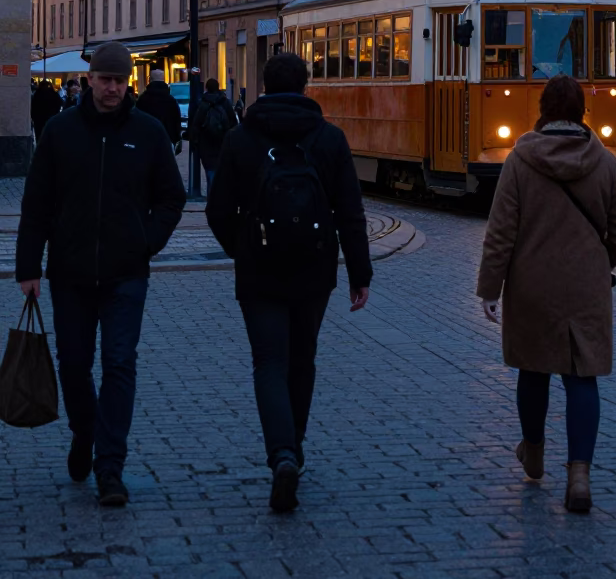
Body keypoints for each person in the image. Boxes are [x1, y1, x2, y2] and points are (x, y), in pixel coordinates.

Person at [16, 41, 186, 508]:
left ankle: (110, 466)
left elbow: (173, 198)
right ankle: (83, 429)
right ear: (89, 80)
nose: (112, 88)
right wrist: (28, 266)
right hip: (69, 273)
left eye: (119, 80)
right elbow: (36, 202)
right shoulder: (59, 131)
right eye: (105, 79)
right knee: (74, 364)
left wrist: (146, 240)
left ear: (129, 81)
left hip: (126, 272)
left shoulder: (148, 132)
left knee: (119, 363)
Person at [206, 52, 372, 514]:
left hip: (259, 272)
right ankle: (294, 447)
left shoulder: (241, 139)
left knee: (268, 362)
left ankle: (281, 453)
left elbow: (217, 211)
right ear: (306, 86)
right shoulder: (330, 139)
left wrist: (242, 251)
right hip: (315, 269)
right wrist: (360, 273)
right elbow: (350, 212)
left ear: (263, 84)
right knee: (303, 360)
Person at [476, 75, 616, 512]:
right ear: (582, 110)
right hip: (587, 287)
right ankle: (580, 477)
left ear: (543, 110)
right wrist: (601, 261)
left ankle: (534, 455)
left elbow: (501, 231)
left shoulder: (521, 158)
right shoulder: (602, 160)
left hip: (532, 285)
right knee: (582, 377)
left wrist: (490, 288)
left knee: (534, 371)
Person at [189, 77, 236, 192]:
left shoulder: (202, 103)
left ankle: (212, 195)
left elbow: (196, 124)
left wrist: (195, 141)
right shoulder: (225, 102)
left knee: (210, 170)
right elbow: (233, 122)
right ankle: (220, 195)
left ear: (206, 88)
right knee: (222, 170)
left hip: (206, 143)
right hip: (223, 142)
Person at [135, 69, 182, 147]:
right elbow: (176, 121)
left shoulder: (143, 99)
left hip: (145, 139)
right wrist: (176, 138)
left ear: (150, 79)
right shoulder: (170, 100)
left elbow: (136, 119)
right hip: (167, 138)